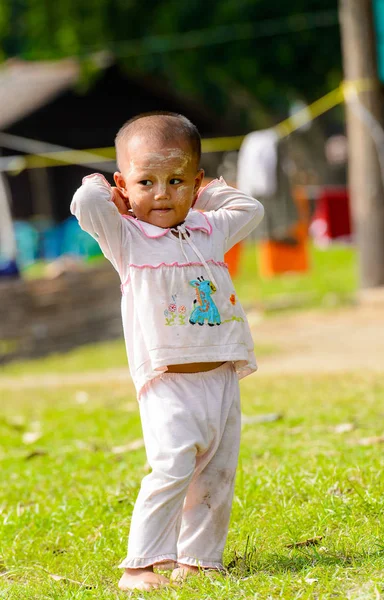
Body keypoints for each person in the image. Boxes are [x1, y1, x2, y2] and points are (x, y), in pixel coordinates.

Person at [71, 112, 264, 592]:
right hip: (166, 381)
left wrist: (206, 194)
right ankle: (138, 565)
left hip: (220, 375)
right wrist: (108, 191)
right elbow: (85, 203)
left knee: (217, 473)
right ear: (125, 184)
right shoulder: (126, 237)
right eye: (146, 181)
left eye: (176, 180)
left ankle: (199, 560)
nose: (161, 194)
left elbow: (251, 208)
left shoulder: (208, 229)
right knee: (172, 468)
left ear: (195, 182)